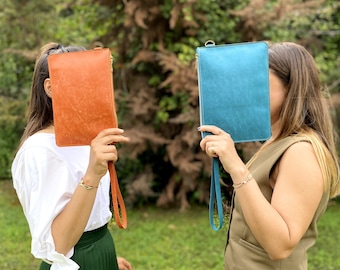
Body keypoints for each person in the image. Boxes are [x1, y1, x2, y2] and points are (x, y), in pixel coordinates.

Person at [199, 42, 340, 269]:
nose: (248, 91)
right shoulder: (278, 140)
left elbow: (280, 245)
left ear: (291, 87)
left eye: (259, 82)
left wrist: (236, 165)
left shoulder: (302, 151)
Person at [11, 43, 132, 270]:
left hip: (100, 250)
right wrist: (92, 175)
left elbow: (89, 219)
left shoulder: (87, 138)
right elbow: (58, 245)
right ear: (50, 88)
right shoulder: (38, 151)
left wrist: (105, 258)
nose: (92, 87)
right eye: (81, 78)